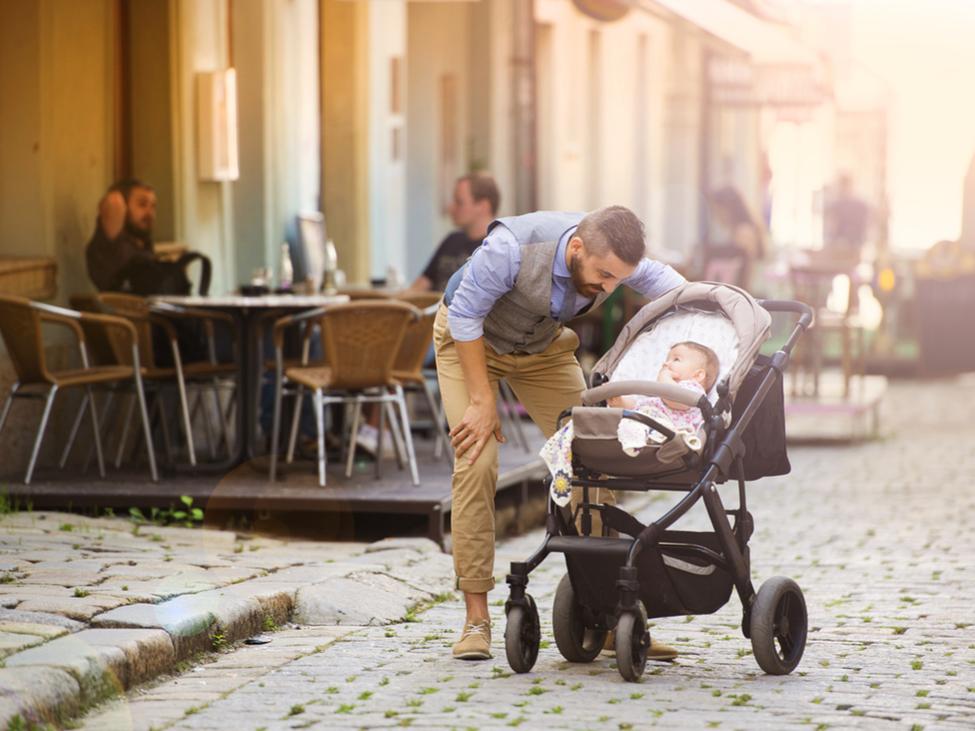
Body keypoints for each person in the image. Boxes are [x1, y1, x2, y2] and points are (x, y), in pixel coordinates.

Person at [435, 205, 686, 661]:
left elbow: (673, 287)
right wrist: (481, 402)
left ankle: (609, 614)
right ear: (576, 249)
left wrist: (717, 310)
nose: (609, 288)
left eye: (617, 280)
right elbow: (465, 316)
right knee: (477, 460)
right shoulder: (511, 249)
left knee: (595, 456)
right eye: (603, 275)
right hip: (469, 343)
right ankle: (476, 618)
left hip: (542, 350)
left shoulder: (612, 256)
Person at [542, 341, 719, 506]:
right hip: (644, 425)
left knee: (635, 423)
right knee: (616, 418)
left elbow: (675, 399)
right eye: (666, 360)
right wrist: (620, 401)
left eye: (676, 359)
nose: (666, 364)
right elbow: (639, 404)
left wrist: (664, 380)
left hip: (670, 442)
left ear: (699, 374)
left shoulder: (693, 391)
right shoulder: (658, 392)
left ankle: (631, 439)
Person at [408, 172, 500, 293]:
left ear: (483, 206)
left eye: (459, 202)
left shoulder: (498, 249)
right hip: (434, 310)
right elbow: (420, 285)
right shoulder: (452, 240)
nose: (451, 208)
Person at [85, 178, 157, 292]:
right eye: (142, 204)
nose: (150, 213)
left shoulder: (143, 242)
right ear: (123, 207)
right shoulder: (108, 244)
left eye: (153, 206)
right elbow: (114, 200)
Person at [701, 186, 766, 290]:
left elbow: (747, 272)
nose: (716, 216)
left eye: (717, 210)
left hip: (750, 293)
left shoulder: (743, 232)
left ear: (728, 209)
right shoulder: (737, 231)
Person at [825, 174, 870, 256]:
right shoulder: (835, 205)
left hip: (854, 249)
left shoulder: (861, 206)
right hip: (838, 250)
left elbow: (865, 229)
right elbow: (832, 229)